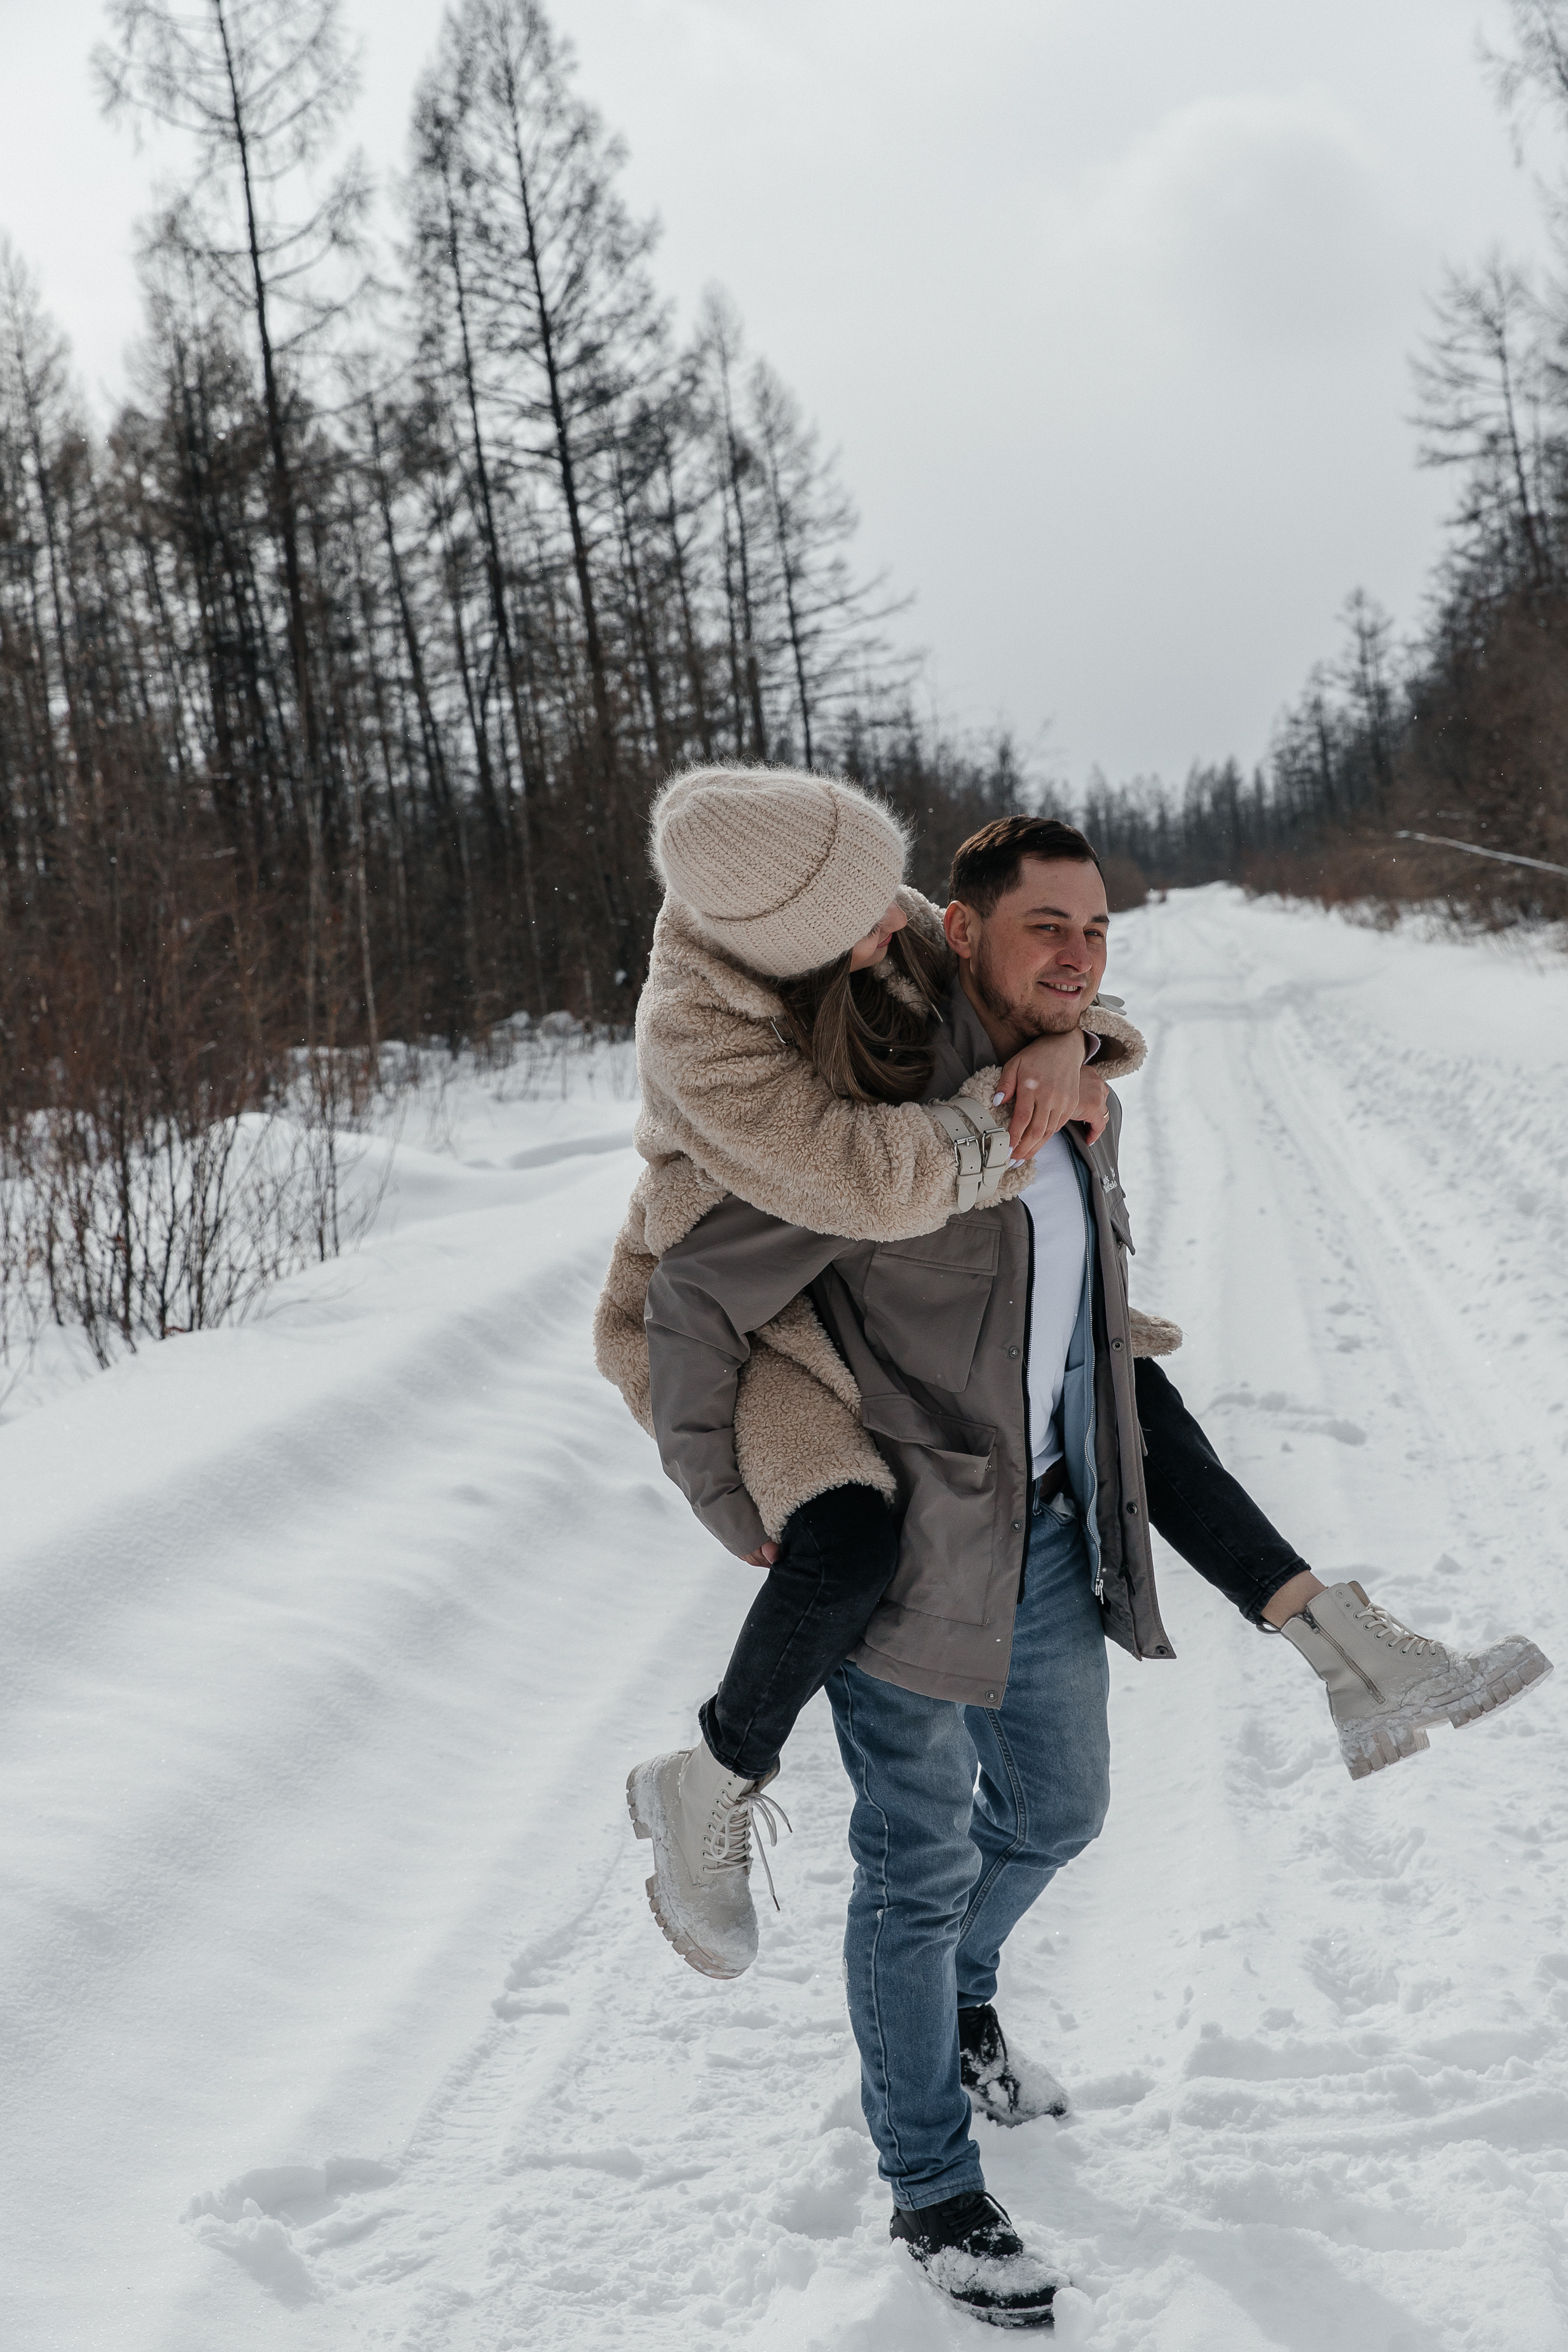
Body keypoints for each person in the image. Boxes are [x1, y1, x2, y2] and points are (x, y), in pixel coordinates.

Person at [601, 774, 1551, 2324]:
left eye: (1097, 928)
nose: (1080, 953)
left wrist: (1069, 1049)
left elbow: (1080, 1318)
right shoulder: (867, 1108)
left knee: (1057, 1810)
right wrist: (730, 1490)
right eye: (1047, 926)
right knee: (913, 1870)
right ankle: (931, 2185)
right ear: (956, 932)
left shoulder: (1056, 1081)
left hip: (1039, 1529)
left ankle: (966, 1994)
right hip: (908, 1532)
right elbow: (698, 1290)